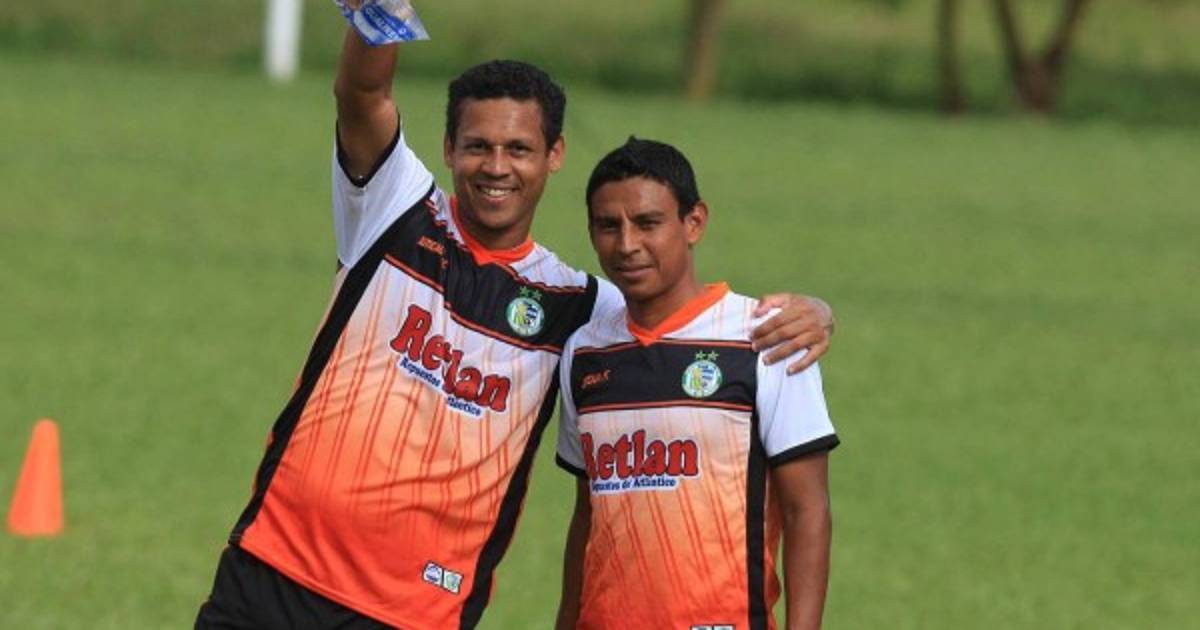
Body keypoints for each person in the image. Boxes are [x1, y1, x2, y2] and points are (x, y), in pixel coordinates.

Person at [194, 25, 836, 630]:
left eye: (519, 149)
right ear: (449, 148)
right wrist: (379, 15)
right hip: (272, 571)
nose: (496, 166)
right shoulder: (393, 211)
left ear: (554, 155)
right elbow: (361, 92)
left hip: (414, 612)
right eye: (478, 146)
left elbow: (677, 315)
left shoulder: (580, 310)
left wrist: (815, 312)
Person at [554, 138, 838, 630]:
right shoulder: (584, 352)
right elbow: (588, 513)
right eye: (608, 226)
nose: (627, 245)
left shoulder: (766, 339)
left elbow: (807, 511)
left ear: (694, 223)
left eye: (648, 223)